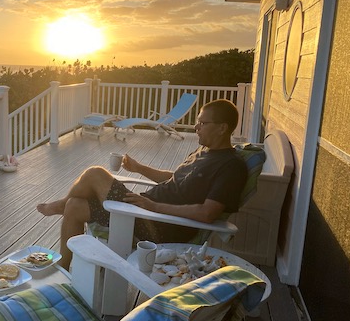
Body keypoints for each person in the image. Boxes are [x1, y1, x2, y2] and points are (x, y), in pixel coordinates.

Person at [37, 99, 247, 270]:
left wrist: (154, 207)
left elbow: (207, 213)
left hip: (159, 226)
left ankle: (58, 206)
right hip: (144, 211)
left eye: (203, 123)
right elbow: (175, 180)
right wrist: (138, 168)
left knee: (95, 174)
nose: (196, 127)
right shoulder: (203, 152)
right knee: (74, 206)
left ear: (222, 128)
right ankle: (64, 267)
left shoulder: (231, 166)